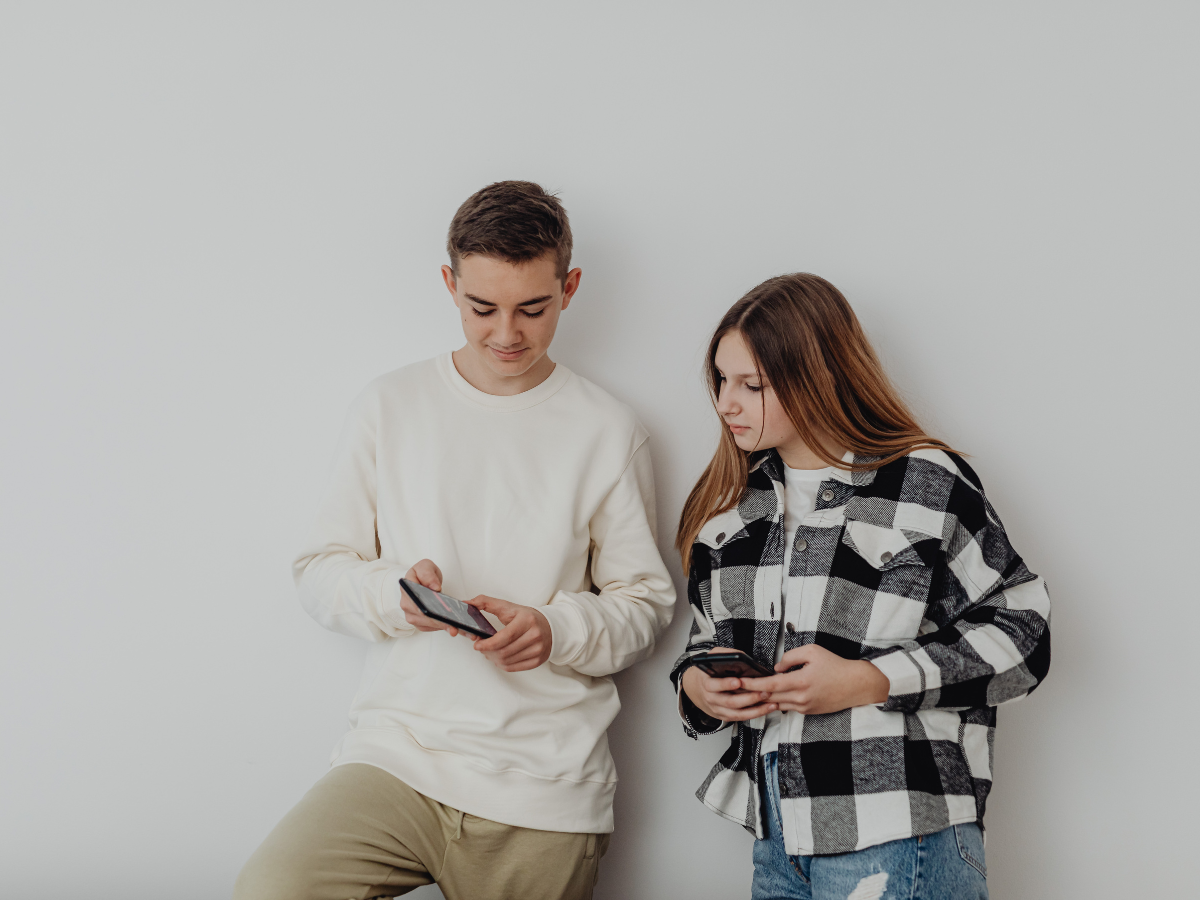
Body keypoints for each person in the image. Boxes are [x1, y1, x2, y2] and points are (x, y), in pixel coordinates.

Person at [235, 181, 675, 900]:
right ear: (450, 285)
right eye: (482, 307)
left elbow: (645, 605)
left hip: (544, 784)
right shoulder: (390, 406)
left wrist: (555, 630)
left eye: (532, 308)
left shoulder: (608, 430)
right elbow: (318, 570)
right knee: (271, 890)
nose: (507, 334)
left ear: (569, 288)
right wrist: (396, 598)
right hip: (398, 759)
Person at [671, 274, 1050, 900]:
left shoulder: (923, 480)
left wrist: (868, 680)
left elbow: (1024, 633)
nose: (725, 403)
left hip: (898, 825)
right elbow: (704, 644)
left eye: (751, 385)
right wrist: (699, 687)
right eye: (720, 380)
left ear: (816, 377)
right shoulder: (730, 516)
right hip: (777, 835)